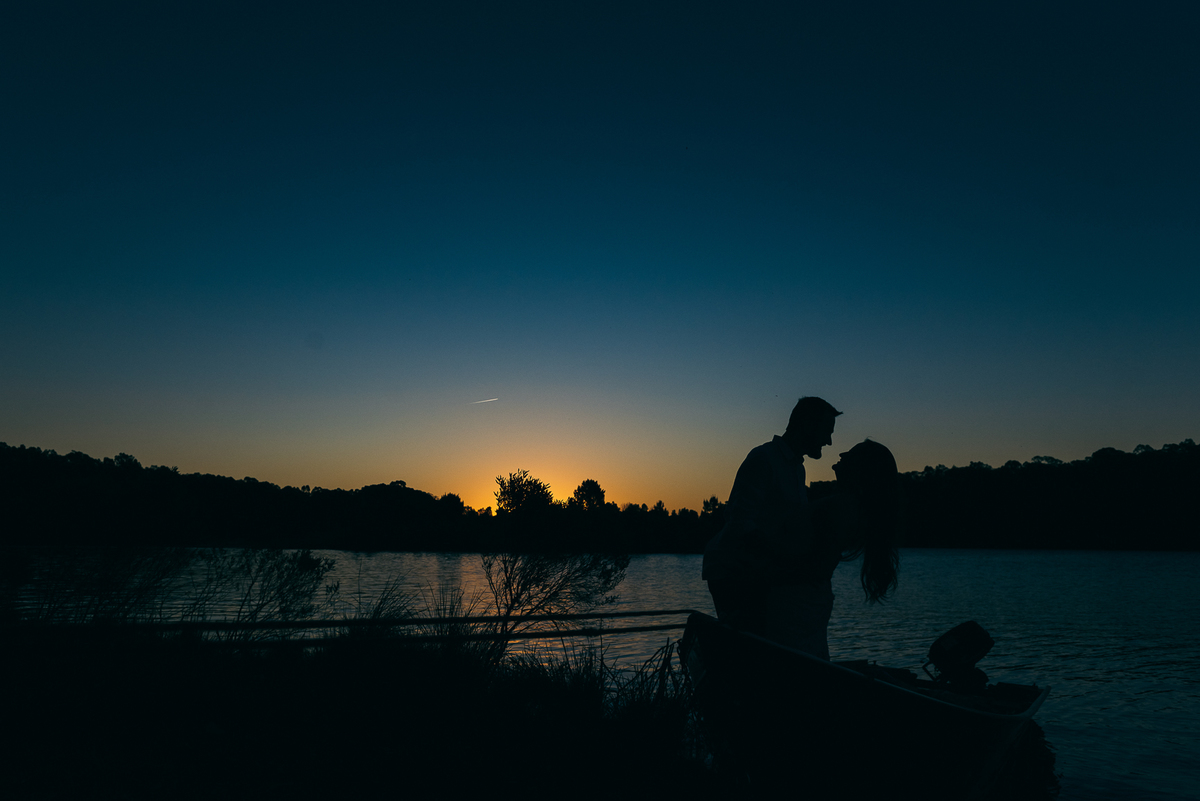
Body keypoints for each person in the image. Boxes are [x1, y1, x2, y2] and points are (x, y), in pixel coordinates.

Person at [701, 396, 841, 635]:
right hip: (733, 571)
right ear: (807, 425)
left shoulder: (797, 468)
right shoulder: (764, 459)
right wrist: (785, 560)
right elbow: (740, 524)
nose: (828, 441)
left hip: (755, 571)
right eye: (826, 432)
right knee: (752, 642)